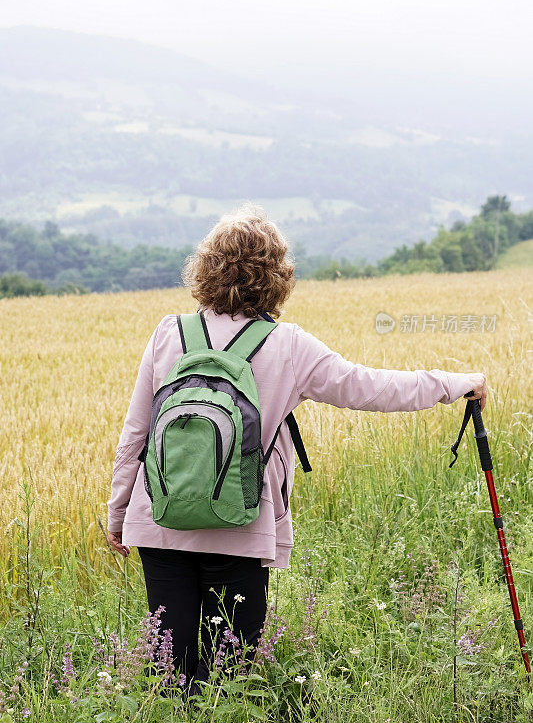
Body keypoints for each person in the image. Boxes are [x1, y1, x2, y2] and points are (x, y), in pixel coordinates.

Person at [106, 203, 487, 694]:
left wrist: (119, 514)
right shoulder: (288, 345)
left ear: (204, 268)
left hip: (160, 523)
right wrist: (458, 383)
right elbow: (372, 388)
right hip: (238, 525)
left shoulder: (168, 333)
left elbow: (134, 435)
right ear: (277, 275)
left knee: (167, 676)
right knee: (227, 680)